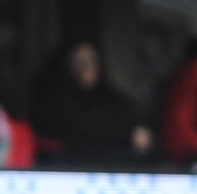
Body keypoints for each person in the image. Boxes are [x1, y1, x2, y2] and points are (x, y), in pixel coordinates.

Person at [33, 39, 153, 168]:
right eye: (79, 62)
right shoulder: (54, 103)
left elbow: (138, 137)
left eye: (92, 61)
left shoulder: (115, 102)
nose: (87, 67)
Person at [160, 39, 197, 168]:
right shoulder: (193, 71)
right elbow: (180, 122)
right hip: (183, 155)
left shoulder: (188, 70)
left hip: (181, 150)